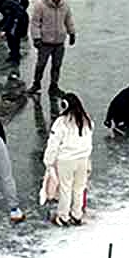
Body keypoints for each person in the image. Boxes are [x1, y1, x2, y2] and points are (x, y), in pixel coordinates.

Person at [43, 93, 93, 226]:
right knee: (79, 188)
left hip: (66, 161)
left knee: (65, 189)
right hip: (83, 159)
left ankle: (63, 216)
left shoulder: (61, 122)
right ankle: (77, 215)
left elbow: (53, 144)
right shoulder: (87, 120)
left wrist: (48, 161)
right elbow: (88, 142)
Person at [30, 0, 76, 96]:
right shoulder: (40, 6)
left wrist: (72, 33)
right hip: (45, 42)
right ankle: (36, 84)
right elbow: (35, 23)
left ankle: (54, 86)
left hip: (59, 42)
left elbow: (68, 20)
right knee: (41, 65)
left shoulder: (64, 6)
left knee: (57, 65)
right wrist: (36, 38)